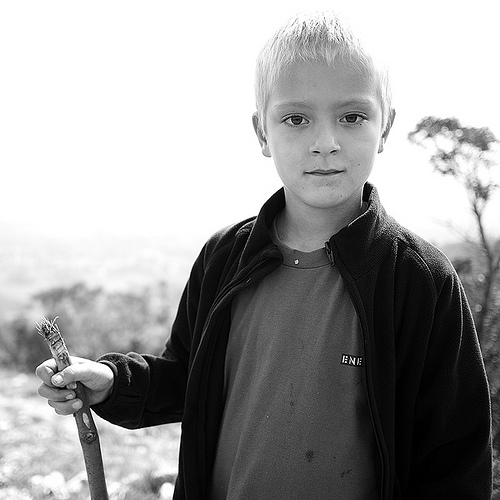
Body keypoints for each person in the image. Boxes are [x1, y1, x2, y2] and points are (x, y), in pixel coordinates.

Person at [36, 11, 492, 499]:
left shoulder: (417, 280)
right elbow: (187, 379)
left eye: (352, 117)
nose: (325, 143)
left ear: (385, 128)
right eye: (296, 119)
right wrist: (111, 381)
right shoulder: (225, 258)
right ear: (261, 132)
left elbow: (454, 455)